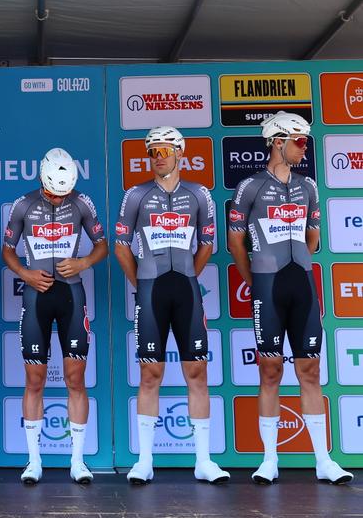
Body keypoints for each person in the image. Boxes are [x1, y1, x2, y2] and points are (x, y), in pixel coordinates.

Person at [228, 112, 353, 485]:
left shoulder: (308, 186)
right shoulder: (249, 186)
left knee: (310, 371)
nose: (304, 147)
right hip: (267, 284)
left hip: (302, 281)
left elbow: (313, 237)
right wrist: (253, 277)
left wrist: (298, 243)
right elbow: (235, 240)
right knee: (270, 371)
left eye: (306, 141)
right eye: (298, 141)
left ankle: (323, 460)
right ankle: (269, 460)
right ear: (277, 142)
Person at [115, 126, 228, 484]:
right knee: (151, 374)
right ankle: (145, 461)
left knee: (197, 373)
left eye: (165, 150)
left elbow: (208, 242)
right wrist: (142, 284)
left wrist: (187, 279)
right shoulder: (135, 195)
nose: (158, 156)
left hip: (187, 291)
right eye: (152, 152)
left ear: (181, 152)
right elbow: (121, 246)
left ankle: (203, 461)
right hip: (149, 291)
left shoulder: (199, 194)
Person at [3, 147, 108, 484]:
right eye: (52, 192)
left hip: (71, 294)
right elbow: (6, 250)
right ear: (41, 180)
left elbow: (103, 244)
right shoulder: (23, 204)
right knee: (34, 380)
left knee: (75, 379)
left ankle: (78, 461)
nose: (59, 199)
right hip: (36, 296)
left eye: (64, 193)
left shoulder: (82, 203)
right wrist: (24, 273)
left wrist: (83, 263)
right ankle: (34, 461)